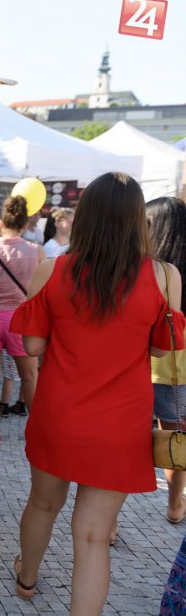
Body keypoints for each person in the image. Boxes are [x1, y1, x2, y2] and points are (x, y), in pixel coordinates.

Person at [9, 172, 184, 613]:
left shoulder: (54, 268)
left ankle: (27, 578)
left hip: (60, 413)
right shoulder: (164, 276)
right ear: (136, 219)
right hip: (122, 424)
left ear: (84, 216)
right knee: (92, 537)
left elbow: (31, 346)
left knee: (43, 504)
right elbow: (166, 349)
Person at [0, 195, 43, 444]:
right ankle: (36, 430)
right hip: (21, 320)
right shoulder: (36, 252)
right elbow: (43, 290)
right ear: (25, 225)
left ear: (0, 222)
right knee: (30, 376)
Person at [147, 197, 186, 524]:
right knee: (175, 436)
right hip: (179, 371)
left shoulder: (151, 271)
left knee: (128, 437)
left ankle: (111, 520)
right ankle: (175, 504)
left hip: (145, 366)